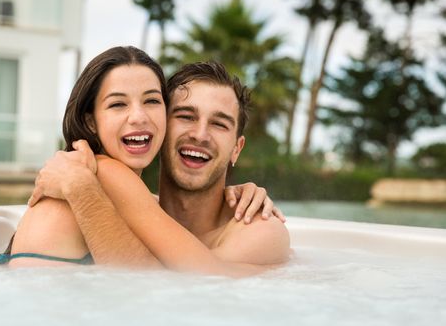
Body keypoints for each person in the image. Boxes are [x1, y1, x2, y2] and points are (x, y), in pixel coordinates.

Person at [23, 58, 290, 277]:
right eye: (185, 116)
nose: (200, 134)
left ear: (237, 149)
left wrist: (81, 189)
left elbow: (199, 291)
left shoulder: (260, 230)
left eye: (219, 124)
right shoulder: (105, 183)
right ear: (161, 126)